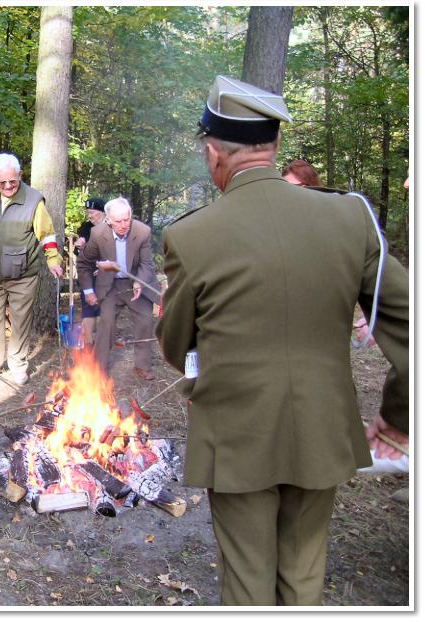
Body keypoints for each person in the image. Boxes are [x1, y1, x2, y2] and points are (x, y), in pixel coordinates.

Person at [155, 75, 408, 606]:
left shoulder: (192, 235)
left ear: (212, 153)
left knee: (249, 588)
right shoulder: (351, 216)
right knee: (303, 577)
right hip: (322, 429)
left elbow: (177, 349)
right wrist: (399, 416)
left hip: (238, 436)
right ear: (272, 146)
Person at [0, 153, 63, 385]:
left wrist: (53, 260)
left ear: (20, 176)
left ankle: (18, 364)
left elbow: (47, 234)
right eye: (2, 182)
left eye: (13, 181)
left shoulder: (34, 201)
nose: (8, 186)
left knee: (21, 321)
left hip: (23, 274)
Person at [77, 197, 159, 380]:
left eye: (127, 219)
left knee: (145, 321)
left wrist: (139, 282)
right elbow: (84, 263)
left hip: (134, 283)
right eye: (119, 221)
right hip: (110, 285)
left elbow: (147, 264)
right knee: (106, 323)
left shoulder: (142, 232)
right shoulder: (98, 233)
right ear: (108, 220)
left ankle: (142, 365)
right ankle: (99, 368)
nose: (124, 225)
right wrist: (89, 291)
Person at [74, 198, 106, 347]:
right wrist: (80, 244)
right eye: (88, 213)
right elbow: (79, 249)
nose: (90, 216)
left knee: (103, 310)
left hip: (107, 277)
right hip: (89, 274)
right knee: (89, 307)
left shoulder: (112, 227)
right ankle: (87, 346)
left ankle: (101, 344)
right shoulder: (86, 227)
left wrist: (104, 266)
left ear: (102, 213)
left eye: (92, 213)